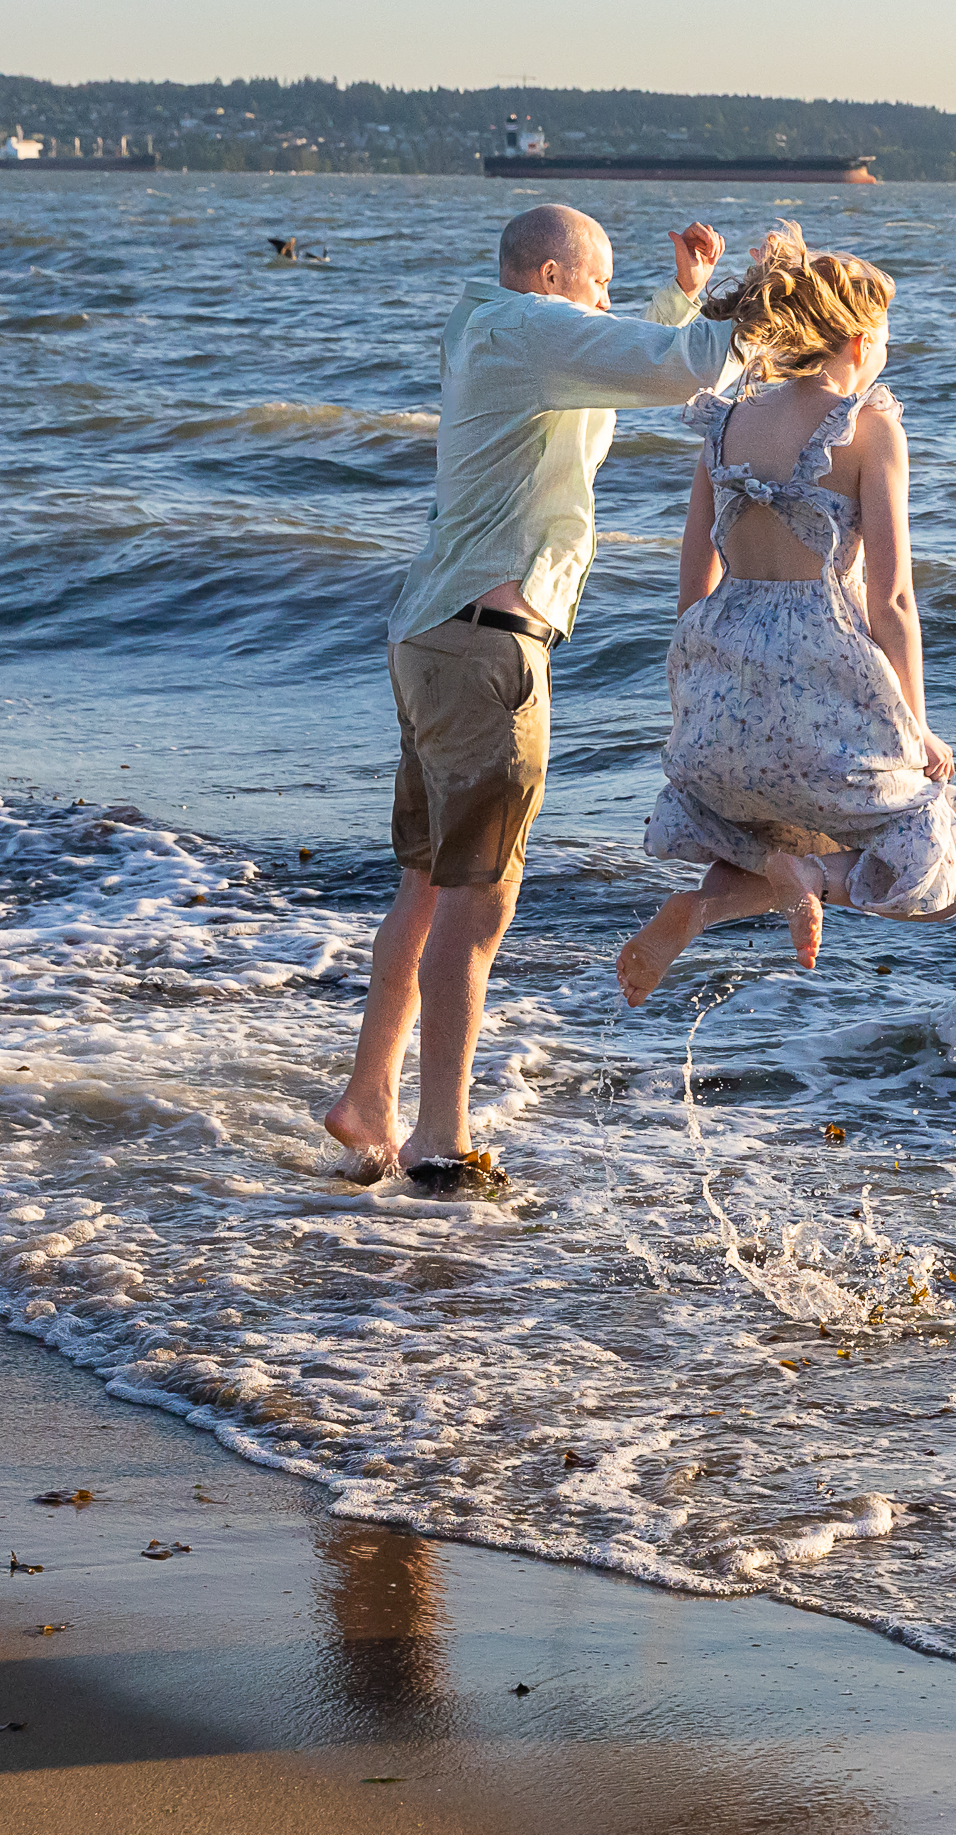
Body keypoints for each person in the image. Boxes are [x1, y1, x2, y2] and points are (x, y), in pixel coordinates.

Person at [323, 204, 742, 1195]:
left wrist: (678, 295)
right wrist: (768, 305)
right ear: (552, 280)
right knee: (480, 901)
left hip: (433, 636)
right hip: (485, 654)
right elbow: (684, 368)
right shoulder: (527, 328)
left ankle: (369, 1098)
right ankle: (438, 1138)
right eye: (597, 291)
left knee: (425, 883)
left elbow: (619, 366)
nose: (603, 310)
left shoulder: (501, 334)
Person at [614, 225, 956, 1004]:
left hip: (723, 694)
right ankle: (812, 877)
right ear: (859, 341)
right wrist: (915, 727)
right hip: (825, 682)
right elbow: (890, 598)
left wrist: (697, 692)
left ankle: (696, 912)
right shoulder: (869, 428)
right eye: (885, 336)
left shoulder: (723, 422)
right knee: (937, 864)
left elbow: (694, 579)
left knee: (767, 823)